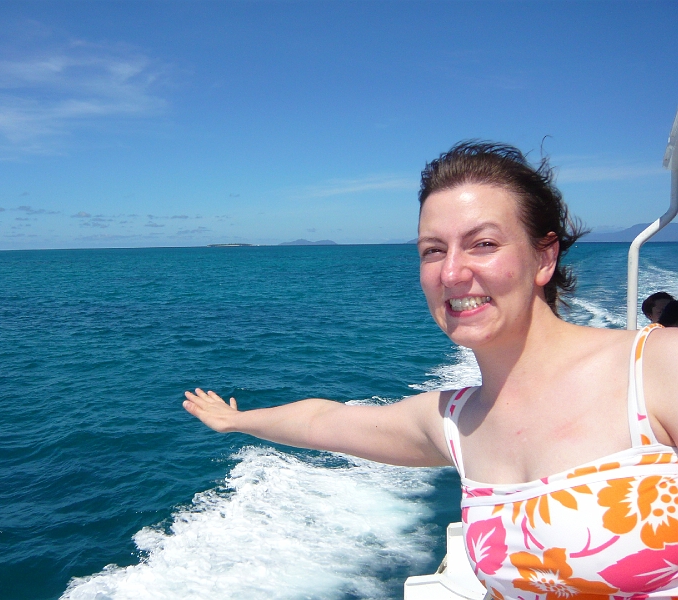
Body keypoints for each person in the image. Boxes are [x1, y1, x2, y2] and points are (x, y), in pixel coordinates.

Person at [184, 141, 678, 598]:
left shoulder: (656, 369)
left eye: (483, 244)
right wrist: (237, 421)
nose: (451, 272)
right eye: (433, 250)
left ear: (544, 256)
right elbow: (324, 421)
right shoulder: (456, 424)